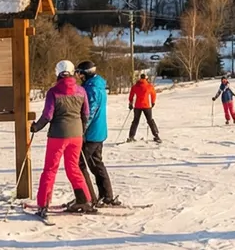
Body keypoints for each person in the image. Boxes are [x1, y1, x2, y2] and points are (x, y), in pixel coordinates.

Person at [31, 61, 95, 218]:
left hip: (58, 136)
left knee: (50, 170)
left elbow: (48, 115)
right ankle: (84, 200)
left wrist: (36, 127)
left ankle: (43, 204)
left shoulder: (53, 92)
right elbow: (85, 114)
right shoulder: (81, 90)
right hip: (76, 136)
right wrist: (82, 130)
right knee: (73, 168)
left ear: (57, 72)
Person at [75, 61, 121, 207]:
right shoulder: (97, 85)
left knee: (79, 163)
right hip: (98, 131)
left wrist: (82, 129)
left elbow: (90, 111)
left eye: (80, 73)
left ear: (86, 73)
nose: (78, 76)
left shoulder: (92, 88)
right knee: (96, 164)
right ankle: (106, 195)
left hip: (91, 133)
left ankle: (88, 198)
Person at [128, 70, 160, 143]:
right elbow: (153, 95)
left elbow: (131, 95)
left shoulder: (135, 86)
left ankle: (131, 136)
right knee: (150, 120)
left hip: (137, 106)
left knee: (135, 121)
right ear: (146, 78)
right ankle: (156, 135)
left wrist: (130, 103)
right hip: (147, 106)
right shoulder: (149, 86)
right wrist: (153, 102)